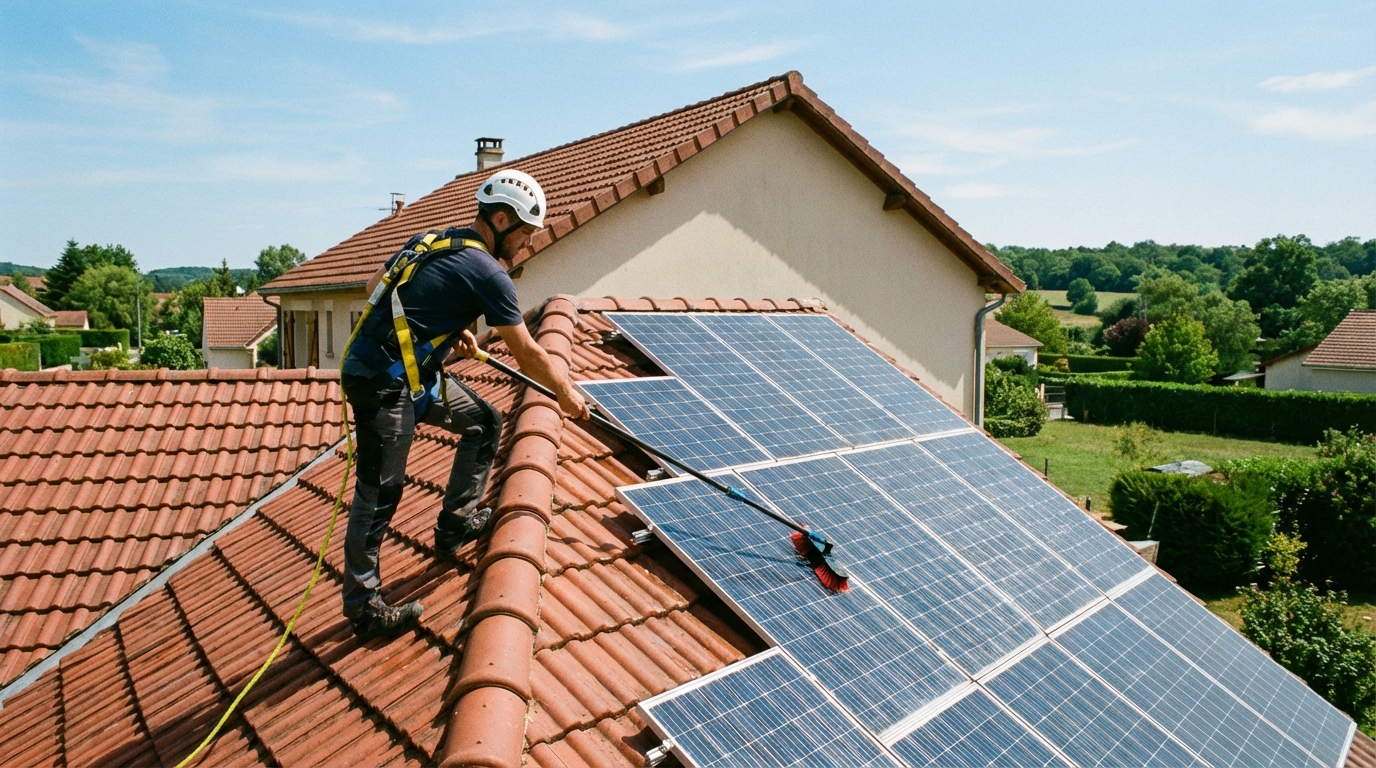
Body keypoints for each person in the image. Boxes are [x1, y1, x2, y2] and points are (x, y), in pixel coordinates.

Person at [339, 170, 588, 640]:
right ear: (501, 219)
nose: (527, 244)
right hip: (382, 383)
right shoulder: (489, 272)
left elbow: (374, 287)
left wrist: (448, 325)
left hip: (413, 375)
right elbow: (528, 353)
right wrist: (566, 393)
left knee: (484, 422)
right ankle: (364, 607)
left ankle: (455, 523)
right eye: (525, 233)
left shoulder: (431, 240)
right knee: (380, 491)